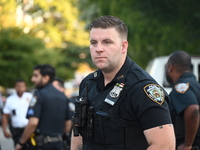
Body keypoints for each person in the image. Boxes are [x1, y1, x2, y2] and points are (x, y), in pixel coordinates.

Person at [71, 15, 175, 150]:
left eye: (107, 42)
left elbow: (164, 146)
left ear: (123, 46)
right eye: (93, 42)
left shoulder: (142, 88)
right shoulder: (88, 83)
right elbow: (78, 131)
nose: (98, 49)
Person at [15, 64, 72, 150]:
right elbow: (68, 124)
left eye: (36, 76)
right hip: (59, 145)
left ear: (46, 78)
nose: (32, 79)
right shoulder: (63, 96)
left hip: (42, 145)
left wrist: (21, 143)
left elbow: (33, 123)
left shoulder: (39, 95)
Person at [165, 51, 200, 150]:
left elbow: (193, 109)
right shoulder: (196, 86)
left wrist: (187, 144)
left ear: (170, 67)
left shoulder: (181, 87)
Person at [2, 79, 32, 148]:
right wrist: (4, 129)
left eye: (22, 86)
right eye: (18, 86)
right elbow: (5, 115)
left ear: (25, 87)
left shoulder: (30, 97)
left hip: (29, 129)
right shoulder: (10, 99)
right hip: (17, 130)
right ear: (15, 87)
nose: (20, 88)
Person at [52, 77, 73, 150]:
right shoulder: (52, 104)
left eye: (54, 88)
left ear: (62, 89)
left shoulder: (70, 103)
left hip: (70, 139)